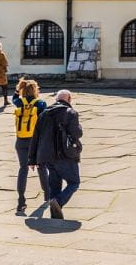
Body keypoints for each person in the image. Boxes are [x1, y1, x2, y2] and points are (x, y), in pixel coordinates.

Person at [28, 89, 82, 219]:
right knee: (74, 182)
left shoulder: (44, 114)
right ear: (69, 100)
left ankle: (55, 215)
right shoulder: (70, 113)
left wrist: (32, 159)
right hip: (64, 155)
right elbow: (76, 134)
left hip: (46, 157)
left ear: (56, 100)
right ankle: (59, 201)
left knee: (55, 185)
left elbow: (35, 137)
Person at [12, 78, 49, 213]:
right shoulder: (40, 104)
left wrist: (18, 89)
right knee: (41, 167)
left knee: (23, 169)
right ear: (35, 90)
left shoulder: (19, 103)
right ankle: (47, 195)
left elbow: (14, 98)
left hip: (20, 140)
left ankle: (21, 201)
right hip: (36, 141)